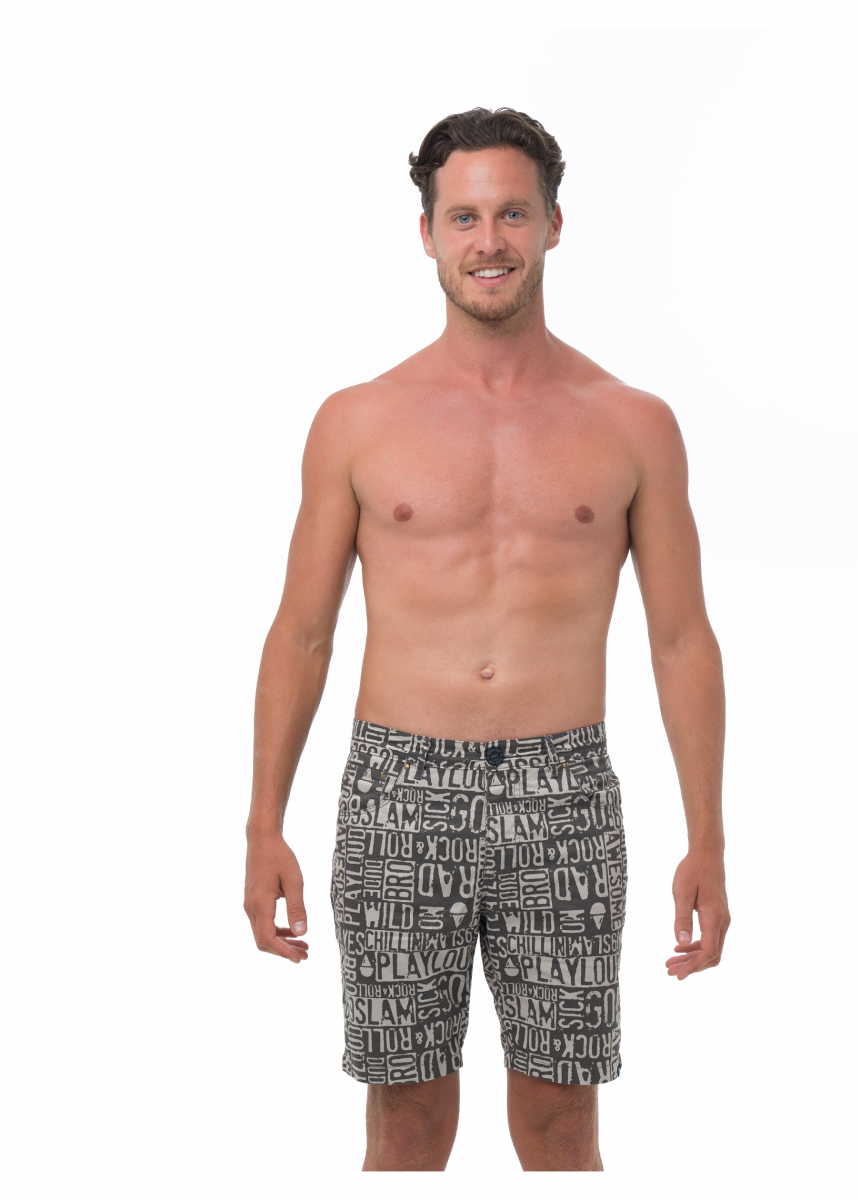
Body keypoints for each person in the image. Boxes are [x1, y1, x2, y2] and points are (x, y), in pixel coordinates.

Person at [242, 106, 730, 1173]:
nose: (489, 240)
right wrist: (261, 826)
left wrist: (709, 840)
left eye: (513, 213)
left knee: (561, 1123)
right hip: (398, 791)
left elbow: (682, 639)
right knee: (407, 1122)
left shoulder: (633, 422)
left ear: (554, 224)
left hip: (566, 794)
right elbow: (304, 633)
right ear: (427, 235)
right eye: (463, 217)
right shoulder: (357, 419)